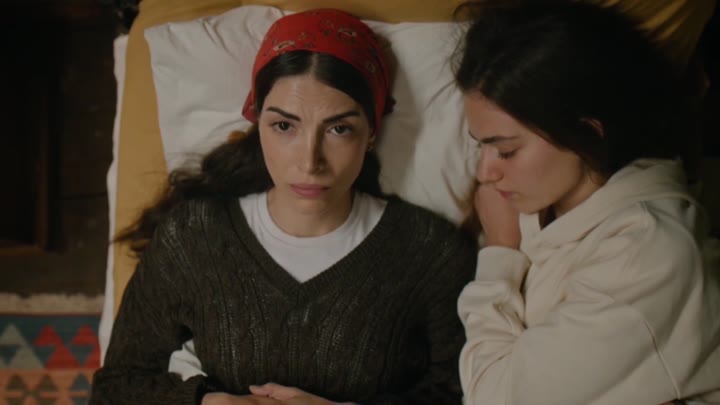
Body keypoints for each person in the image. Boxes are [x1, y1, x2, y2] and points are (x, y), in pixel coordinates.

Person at [90, 8, 477, 404]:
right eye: (284, 126)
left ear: (371, 133)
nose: (309, 162)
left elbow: (469, 394)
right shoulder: (193, 235)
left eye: (339, 129)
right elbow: (114, 388)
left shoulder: (430, 253)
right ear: (258, 124)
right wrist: (210, 402)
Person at [453, 1, 720, 404]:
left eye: (505, 151)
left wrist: (500, 253)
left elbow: (494, 398)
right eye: (481, 146)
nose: (484, 172)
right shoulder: (540, 203)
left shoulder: (647, 255)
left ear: (586, 134)